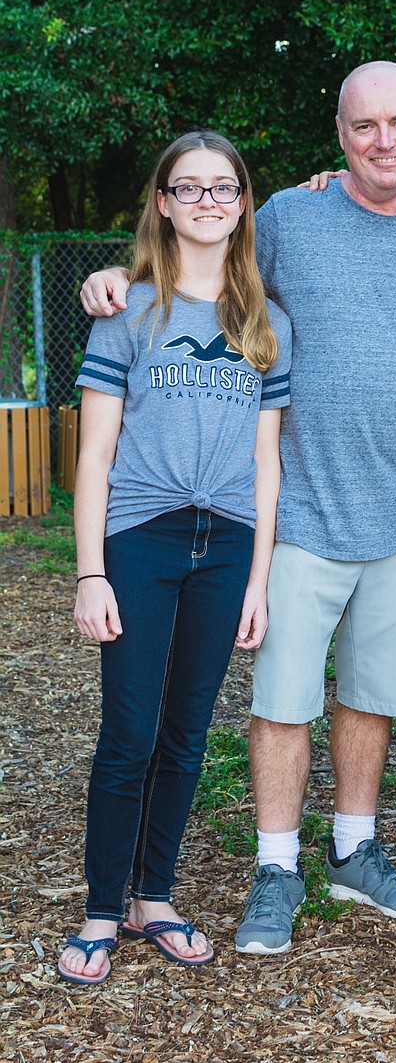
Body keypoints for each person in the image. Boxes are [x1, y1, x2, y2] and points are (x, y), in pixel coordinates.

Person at [79, 62, 396, 957]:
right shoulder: (290, 219)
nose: (386, 141)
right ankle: (275, 864)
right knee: (285, 697)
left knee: (371, 693)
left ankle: (354, 847)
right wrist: (113, 278)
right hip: (292, 505)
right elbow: (197, 245)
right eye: (364, 125)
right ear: (338, 135)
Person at [59, 132, 291, 985]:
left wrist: (259, 580)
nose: (204, 201)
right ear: (162, 201)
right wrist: (91, 571)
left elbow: (268, 464)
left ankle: (154, 894)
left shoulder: (267, 325)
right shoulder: (128, 311)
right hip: (142, 537)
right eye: (186, 187)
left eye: (221, 187)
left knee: (188, 732)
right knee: (130, 729)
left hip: (227, 543)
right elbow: (93, 456)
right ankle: (100, 907)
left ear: (240, 203)